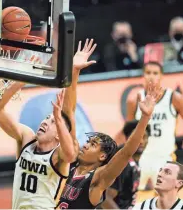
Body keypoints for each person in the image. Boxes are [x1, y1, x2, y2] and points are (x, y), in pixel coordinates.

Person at [0, 39, 97, 209]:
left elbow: (70, 154)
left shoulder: (58, 156)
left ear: (60, 134)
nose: (45, 121)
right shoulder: (26, 139)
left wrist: (74, 72)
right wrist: (23, 78)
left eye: (52, 122)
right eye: (46, 118)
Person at [56, 74, 162, 209]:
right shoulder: (70, 162)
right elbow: (69, 112)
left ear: (102, 156)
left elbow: (126, 153)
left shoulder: (99, 178)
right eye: (88, 142)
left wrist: (145, 117)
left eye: (93, 144)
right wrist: (74, 73)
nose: (86, 145)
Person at [126, 61, 183, 191]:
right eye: (148, 73)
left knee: (164, 200)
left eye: (155, 73)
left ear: (161, 76)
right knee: (132, 200)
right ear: (143, 75)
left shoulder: (174, 97)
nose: (151, 76)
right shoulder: (134, 100)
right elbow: (128, 133)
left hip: (165, 157)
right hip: (141, 158)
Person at [98, 120, 150, 209]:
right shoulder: (122, 163)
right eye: (137, 137)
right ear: (127, 138)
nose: (141, 141)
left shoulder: (133, 159)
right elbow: (105, 198)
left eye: (144, 137)